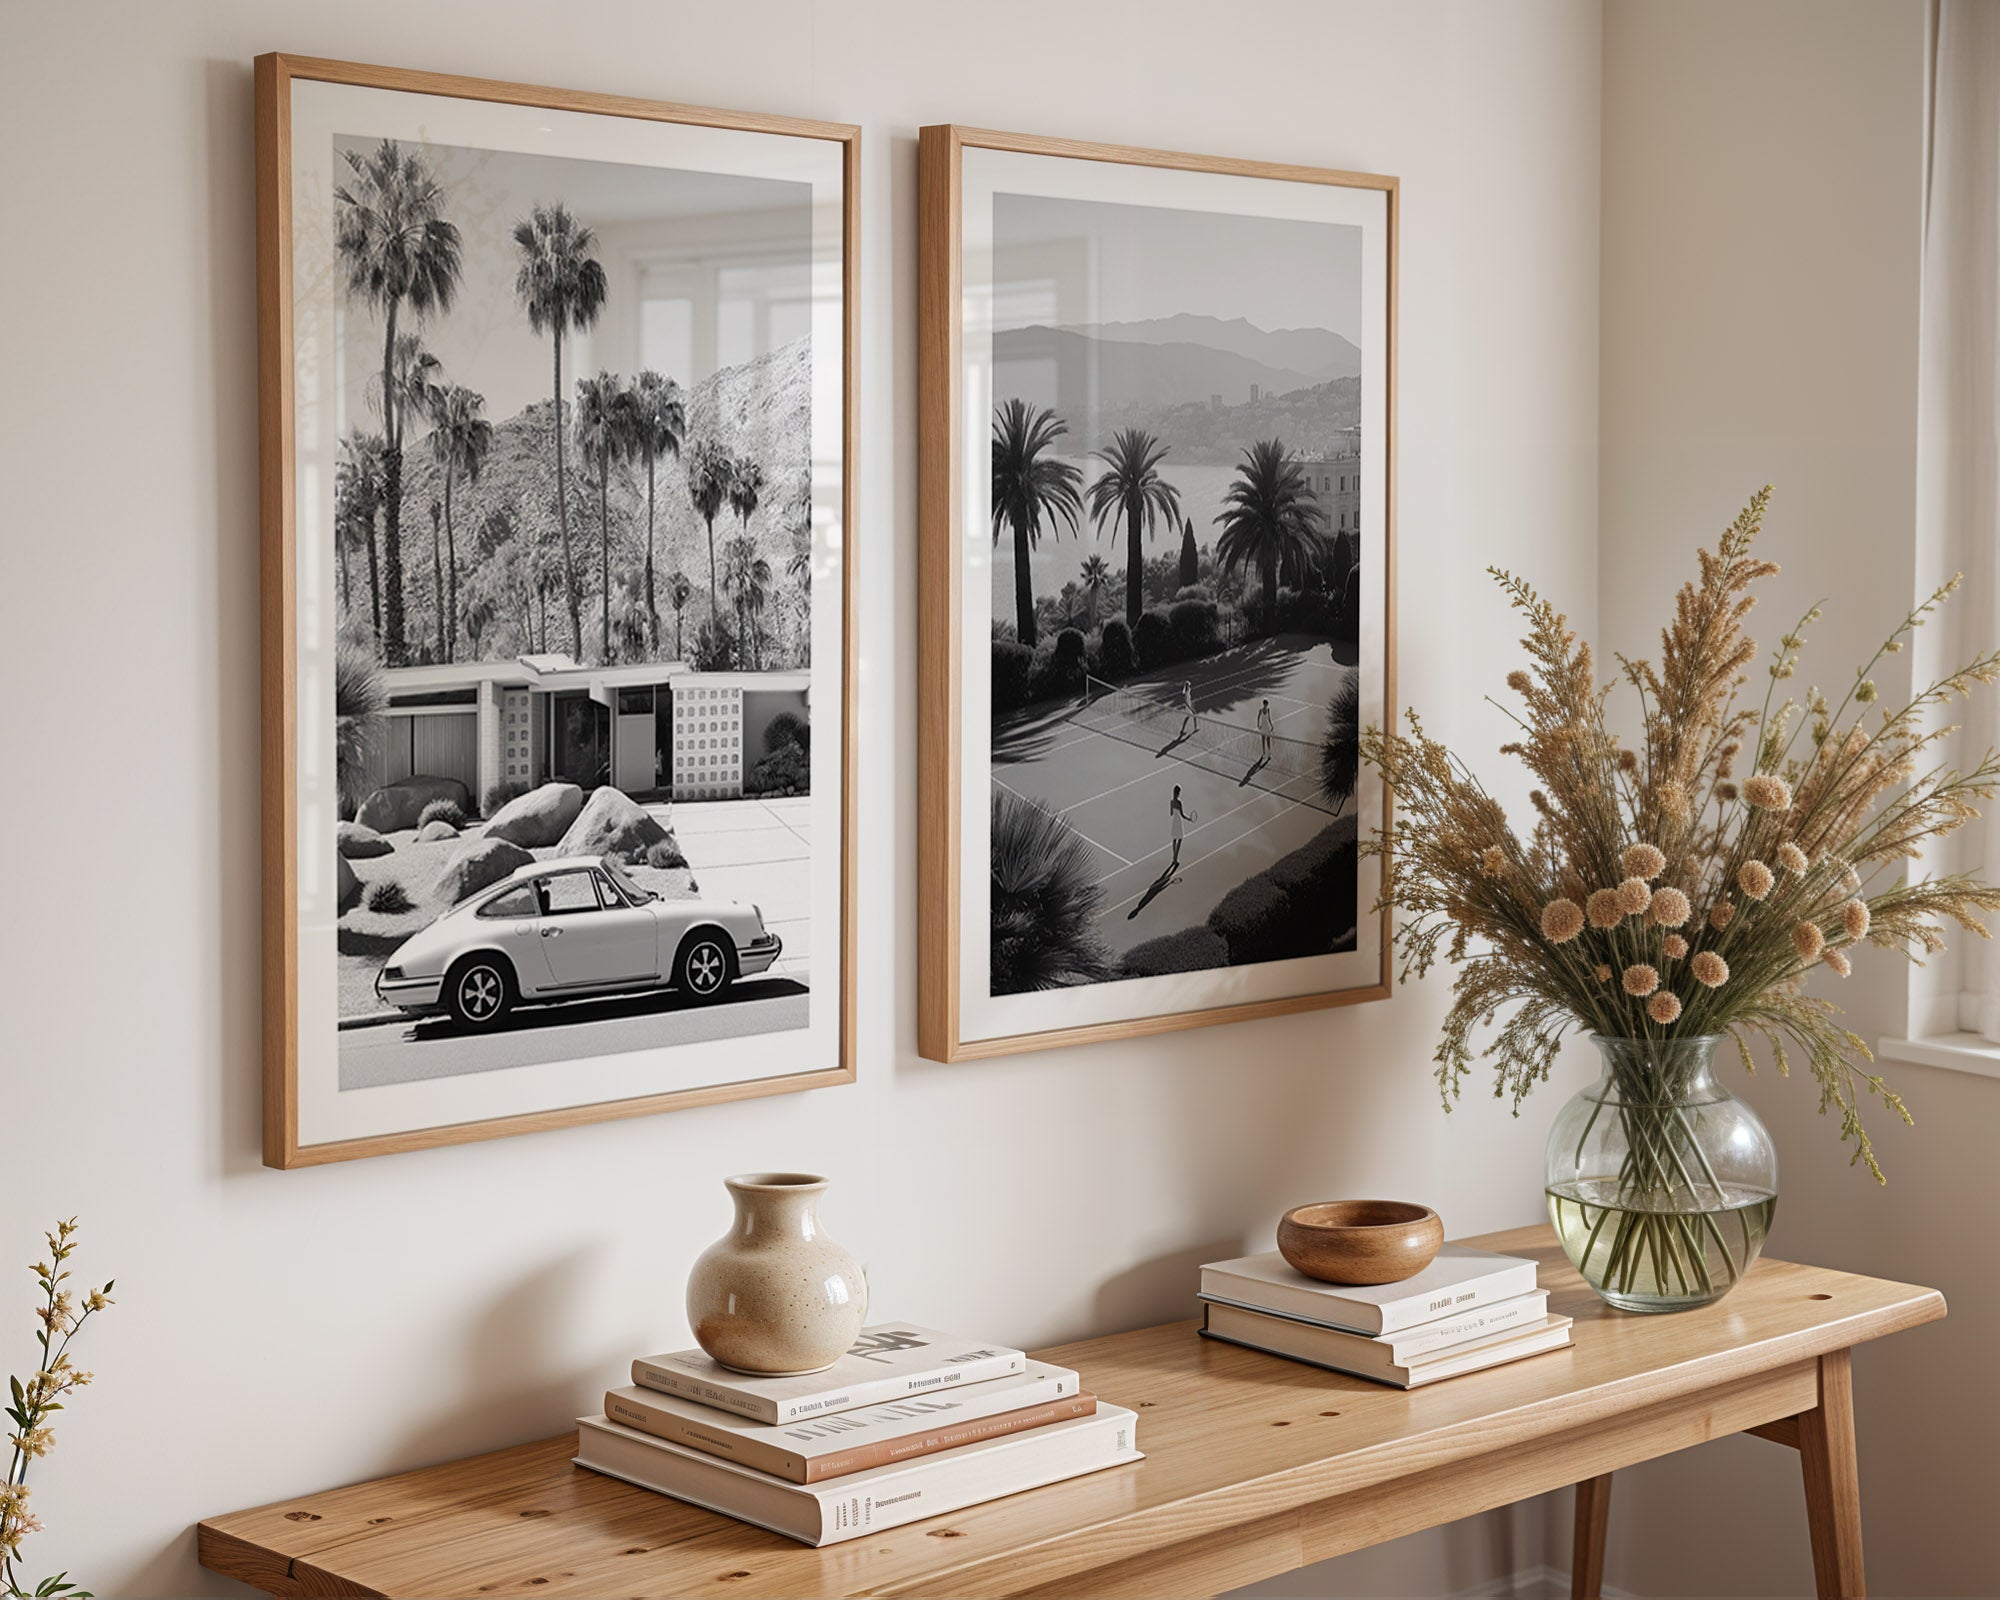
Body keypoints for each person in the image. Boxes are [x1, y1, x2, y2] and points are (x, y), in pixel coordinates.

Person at [1168, 783, 1197, 872]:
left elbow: (1171, 814)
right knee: (1180, 839)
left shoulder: (1171, 802)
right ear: (1178, 793)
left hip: (1174, 821)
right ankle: (1175, 858)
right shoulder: (1179, 803)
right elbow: (1182, 815)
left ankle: (1174, 857)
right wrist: (1188, 819)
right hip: (1178, 822)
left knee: (1174, 839)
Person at [1256, 698, 1275, 764]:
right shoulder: (1260, 710)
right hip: (1263, 727)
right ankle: (1264, 753)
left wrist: (1272, 725)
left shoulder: (1268, 710)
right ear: (1263, 704)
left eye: (1267, 704)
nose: (1266, 705)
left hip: (1267, 726)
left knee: (1268, 740)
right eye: (1265, 704)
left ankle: (1269, 753)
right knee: (1263, 740)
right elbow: (1258, 717)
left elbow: (1269, 719)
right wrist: (1258, 725)